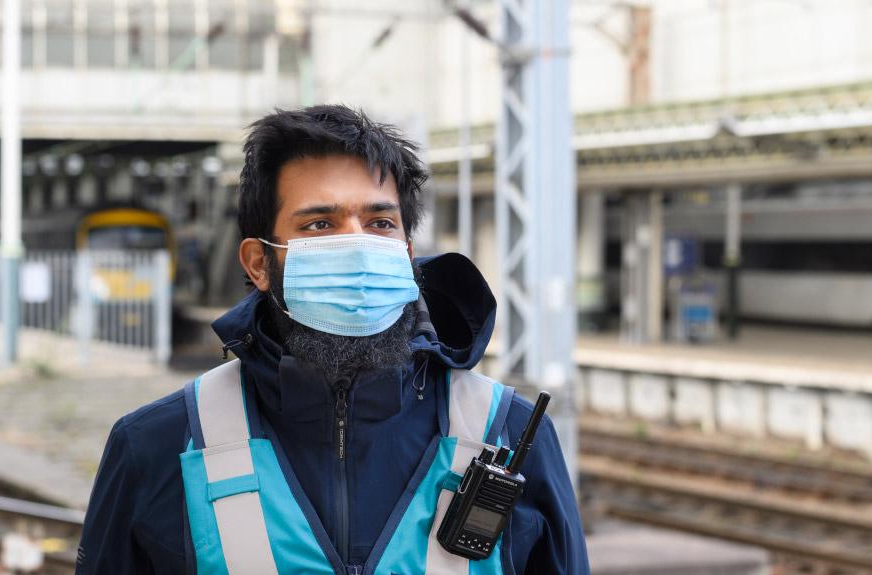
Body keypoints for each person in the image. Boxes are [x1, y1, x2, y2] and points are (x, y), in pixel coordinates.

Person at [77, 105, 590, 574]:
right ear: (259, 262)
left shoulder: (510, 438)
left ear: (407, 254)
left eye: (380, 222)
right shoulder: (157, 445)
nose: (357, 244)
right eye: (321, 223)